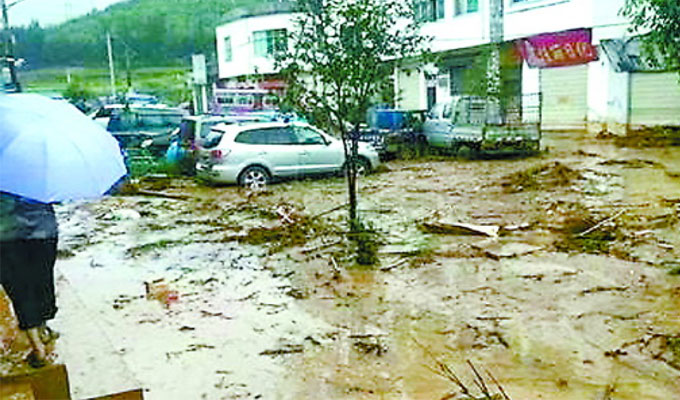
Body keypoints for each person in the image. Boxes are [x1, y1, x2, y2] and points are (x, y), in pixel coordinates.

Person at [0, 191, 59, 368]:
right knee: (42, 282)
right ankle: (43, 330)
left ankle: (38, 347)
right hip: (43, 232)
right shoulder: (40, 168)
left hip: (6, 235)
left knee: (20, 291)